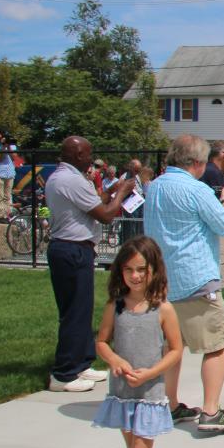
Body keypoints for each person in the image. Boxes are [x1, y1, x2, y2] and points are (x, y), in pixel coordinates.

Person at [144, 134, 224, 432]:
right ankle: (211, 412)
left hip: (163, 280)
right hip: (196, 278)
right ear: (198, 162)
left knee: (171, 346)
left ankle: (170, 404)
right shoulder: (196, 189)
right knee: (215, 345)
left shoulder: (155, 187)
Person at [92, 236, 184, 448]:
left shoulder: (163, 309)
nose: (135, 276)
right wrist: (115, 360)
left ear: (154, 270)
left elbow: (176, 349)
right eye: (129, 269)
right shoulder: (115, 307)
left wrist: (153, 372)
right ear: (120, 271)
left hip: (149, 393)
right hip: (122, 392)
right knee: (131, 447)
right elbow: (102, 342)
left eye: (142, 269)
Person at [44, 136, 134, 392]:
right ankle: (63, 374)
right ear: (77, 155)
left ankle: (81, 362)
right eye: (88, 154)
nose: (91, 159)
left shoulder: (61, 177)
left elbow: (94, 203)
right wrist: (122, 194)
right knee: (75, 312)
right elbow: (105, 215)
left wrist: (112, 190)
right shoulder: (71, 180)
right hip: (72, 248)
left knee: (81, 310)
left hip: (70, 248)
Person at [0, 129, 18, 223]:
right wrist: (3, 146)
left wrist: (8, 146)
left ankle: (8, 215)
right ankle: (0, 217)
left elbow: (14, 157)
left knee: (8, 196)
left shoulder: (11, 145)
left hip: (10, 172)